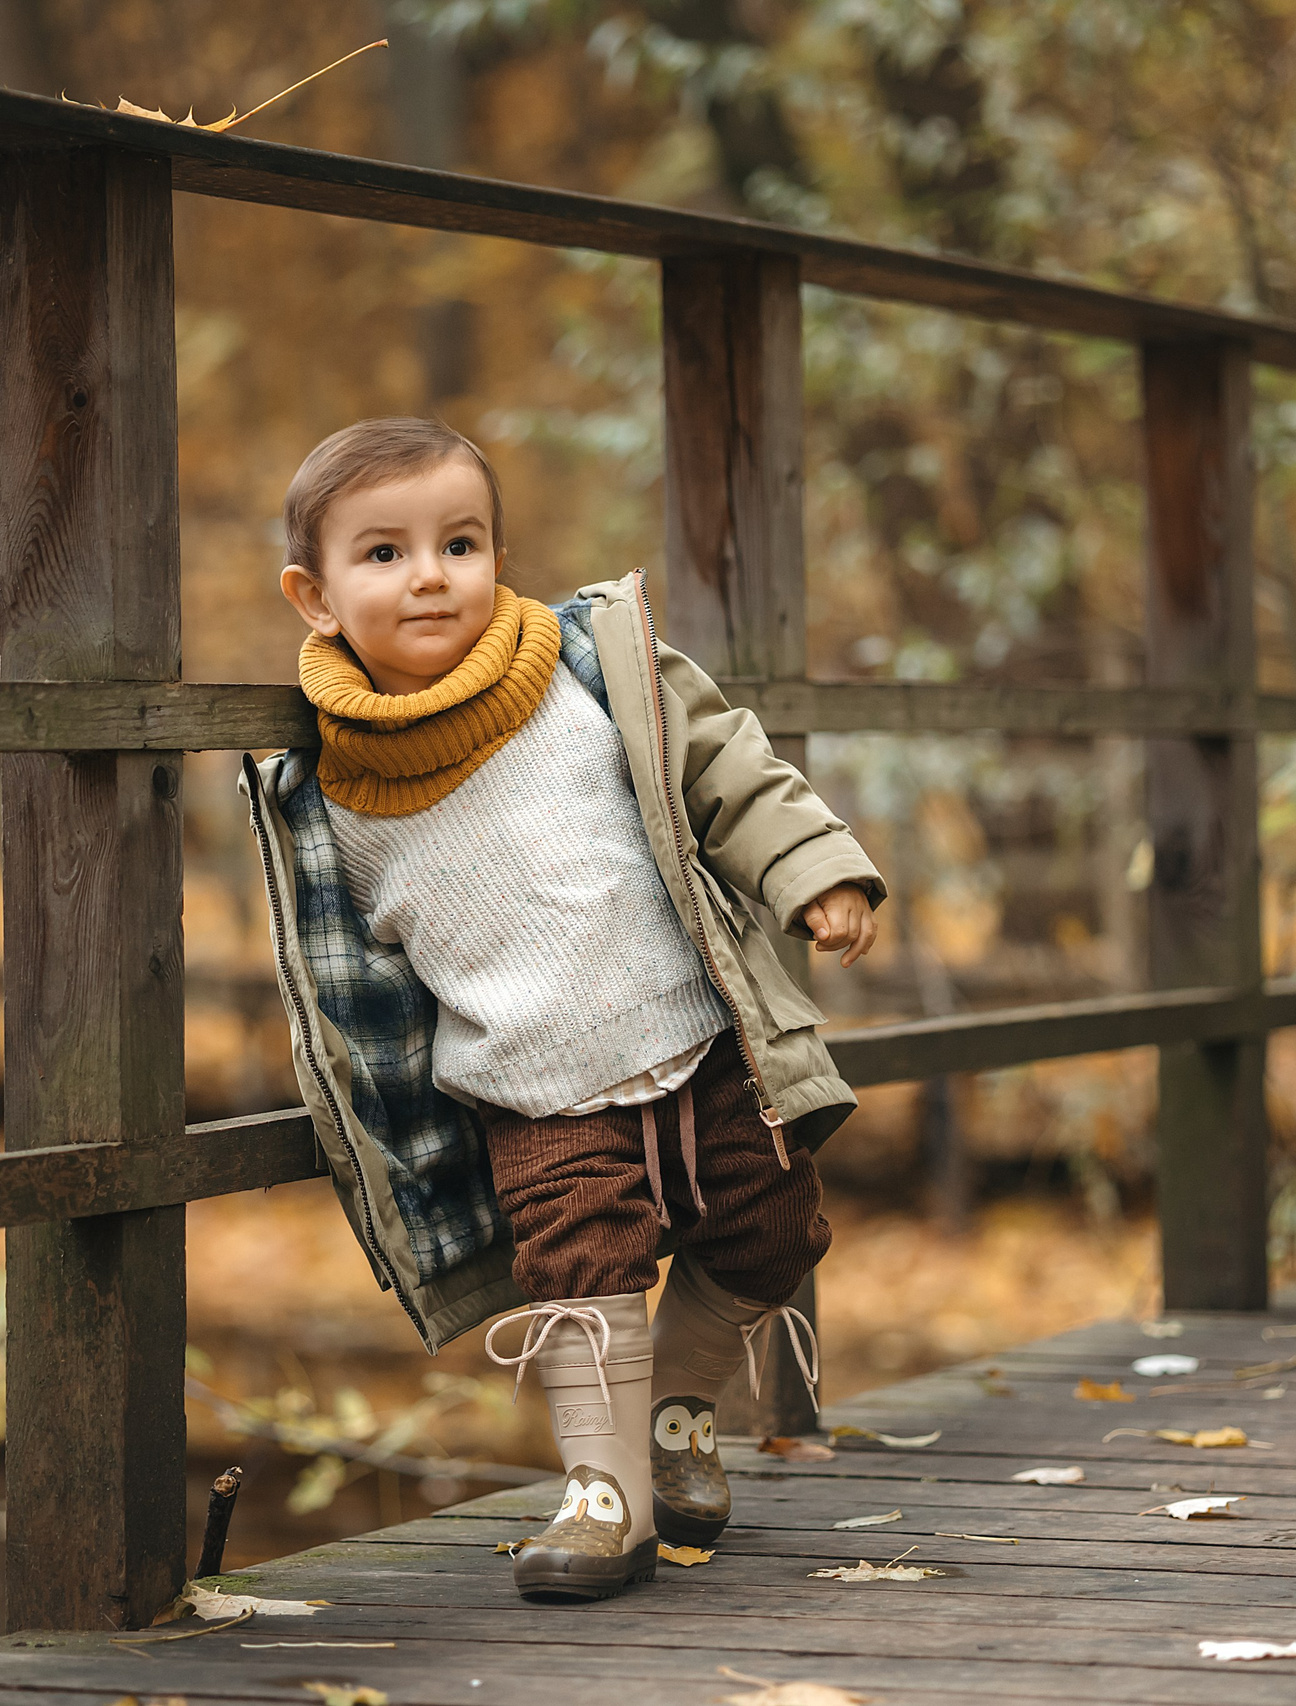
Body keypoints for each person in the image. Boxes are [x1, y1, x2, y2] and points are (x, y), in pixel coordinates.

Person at [241, 417, 886, 1602]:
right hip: (530, 1080)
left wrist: (814, 870)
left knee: (775, 1228)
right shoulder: (325, 792)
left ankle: (677, 1410)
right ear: (312, 594)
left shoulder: (593, 667)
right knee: (578, 1272)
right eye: (382, 553)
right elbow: (346, 986)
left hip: (697, 1035)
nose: (430, 573)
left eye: (461, 541)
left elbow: (728, 767)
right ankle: (604, 1497)